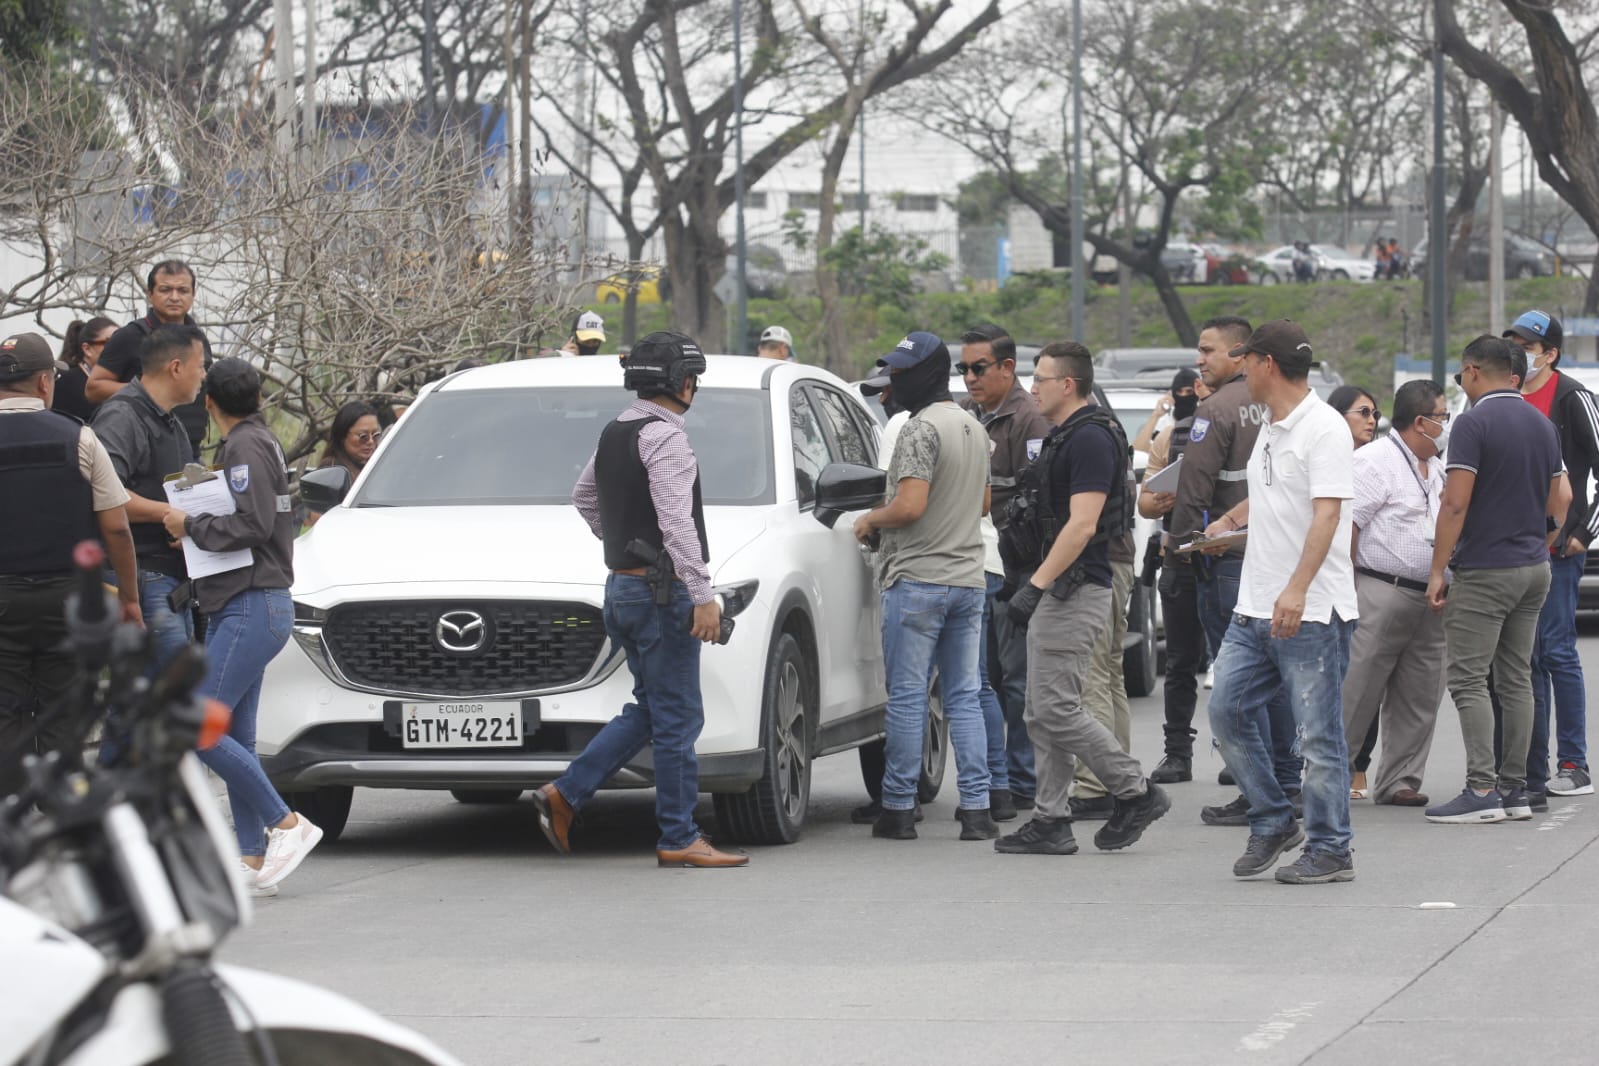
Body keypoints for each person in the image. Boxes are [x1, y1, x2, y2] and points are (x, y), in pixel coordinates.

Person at [533, 331, 745, 867]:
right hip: (660, 593)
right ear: (680, 382)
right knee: (678, 718)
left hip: (623, 591)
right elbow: (676, 523)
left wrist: (625, 548)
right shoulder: (667, 437)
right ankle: (678, 837)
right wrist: (701, 595)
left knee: (652, 708)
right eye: (692, 377)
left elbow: (583, 497)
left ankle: (566, 793)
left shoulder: (616, 430)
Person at [995, 342, 1169, 856]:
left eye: (1040, 378)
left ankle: (1134, 791)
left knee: (1056, 707)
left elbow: (1083, 525)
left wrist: (1036, 586)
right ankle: (1051, 819)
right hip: (1062, 585)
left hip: (1076, 586)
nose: (1033, 387)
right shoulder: (1070, 433)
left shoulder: (1091, 437)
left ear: (1066, 384)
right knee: (1038, 710)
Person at [1201, 320, 1357, 884]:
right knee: (1226, 711)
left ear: (1266, 363)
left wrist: (1296, 588)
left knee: (1317, 737)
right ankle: (1272, 818)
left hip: (1309, 611)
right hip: (1255, 604)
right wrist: (1229, 520)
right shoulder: (1271, 424)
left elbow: (1328, 513)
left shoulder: (1325, 429)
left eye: (1245, 360)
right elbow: (1269, 492)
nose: (1239, 369)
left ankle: (1332, 848)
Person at [162, 359, 318, 895]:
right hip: (258, 603)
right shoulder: (264, 439)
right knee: (234, 735)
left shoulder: (244, 447)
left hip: (250, 603)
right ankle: (250, 860)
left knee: (195, 725)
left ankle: (286, 825)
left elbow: (251, 524)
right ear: (258, 397)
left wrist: (191, 524)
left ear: (209, 402)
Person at [851, 332, 995, 842]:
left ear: (928, 374)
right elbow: (981, 504)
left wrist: (870, 519)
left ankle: (897, 808)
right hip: (968, 581)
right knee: (965, 696)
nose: (893, 382)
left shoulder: (918, 430)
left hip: (917, 580)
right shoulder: (972, 425)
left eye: (901, 372)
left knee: (909, 697)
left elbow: (909, 507)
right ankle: (977, 810)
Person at [1425, 335, 1569, 824]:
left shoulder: (1472, 422)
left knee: (1468, 680)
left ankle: (1481, 789)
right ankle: (1517, 791)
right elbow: (1562, 498)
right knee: (1517, 681)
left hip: (1487, 568)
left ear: (1470, 372)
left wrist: (1437, 569)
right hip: (1534, 567)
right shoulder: (1541, 422)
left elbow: (1455, 502)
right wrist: (1542, 538)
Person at [0, 333, 141, 797]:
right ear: (45, 382)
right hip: (67, 598)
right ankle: (60, 816)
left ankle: (11, 815)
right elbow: (117, 529)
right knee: (64, 705)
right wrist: (129, 599)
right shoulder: (79, 437)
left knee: (5, 710)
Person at [1172, 316, 1302, 818]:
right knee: (1276, 681)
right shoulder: (1273, 410)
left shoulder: (1216, 408)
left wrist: (1179, 553)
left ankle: (1260, 790)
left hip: (1226, 560)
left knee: (1242, 688)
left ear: (1241, 354)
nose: (1200, 360)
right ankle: (1286, 781)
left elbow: (1194, 487)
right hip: (1273, 560)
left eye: (1208, 351)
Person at [958, 323, 1052, 817]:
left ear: (1007, 368)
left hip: (1018, 568)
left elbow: (1037, 502)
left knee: (1017, 681)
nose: (970, 378)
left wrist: (1028, 576)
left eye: (979, 368)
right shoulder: (974, 416)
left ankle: (1023, 780)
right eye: (964, 369)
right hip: (982, 567)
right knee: (988, 680)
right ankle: (1001, 779)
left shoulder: (1027, 420)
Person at [1341, 380, 1449, 809]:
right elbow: (1348, 524)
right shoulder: (1374, 461)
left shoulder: (1437, 466)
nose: (1445, 425)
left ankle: (1400, 779)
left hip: (1431, 594)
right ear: (1420, 422)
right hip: (1380, 588)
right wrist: (1349, 587)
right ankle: (1332, 774)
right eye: (1441, 417)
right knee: (1357, 689)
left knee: (1421, 692)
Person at [1505, 310, 1597, 799]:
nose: (1520, 349)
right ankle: (1530, 768)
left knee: (1558, 651)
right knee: (1528, 657)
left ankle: (1573, 763)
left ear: (1551, 352)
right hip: (1516, 549)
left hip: (1560, 549)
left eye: (1528, 343)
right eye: (1513, 341)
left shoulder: (1572, 397)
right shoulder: (1508, 395)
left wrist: (1582, 531)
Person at [90, 326, 206, 691]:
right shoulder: (122, 416)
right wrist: (166, 515)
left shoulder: (172, 421)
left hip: (174, 578)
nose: (204, 376)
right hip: (141, 578)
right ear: (176, 367)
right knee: (167, 701)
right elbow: (105, 496)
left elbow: (183, 491)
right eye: (200, 366)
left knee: (142, 709)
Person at [1140, 368, 1208, 784]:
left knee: (1240, 666)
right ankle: (1177, 753)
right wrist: (1159, 499)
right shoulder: (1171, 436)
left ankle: (1239, 756)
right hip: (1178, 559)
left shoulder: (1240, 430)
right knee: (1181, 663)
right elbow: (1145, 503)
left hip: (1229, 560)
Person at [86, 261, 214, 459]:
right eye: (165, 290)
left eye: (182, 290)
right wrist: (150, 390)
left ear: (193, 294)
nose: (174, 297)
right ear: (150, 294)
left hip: (190, 448)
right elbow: (94, 388)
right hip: (144, 449)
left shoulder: (197, 339)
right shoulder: (129, 336)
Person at [1328, 384, 1382, 797]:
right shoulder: (1323, 457)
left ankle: (1358, 765)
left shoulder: (1376, 463)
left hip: (1362, 581)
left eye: (1375, 413)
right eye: (1362, 412)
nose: (1371, 420)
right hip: (1319, 579)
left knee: (1363, 678)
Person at [52, 316, 117, 423]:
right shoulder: (64, 383)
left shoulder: (125, 381)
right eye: (111, 343)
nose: (119, 348)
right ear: (87, 349)